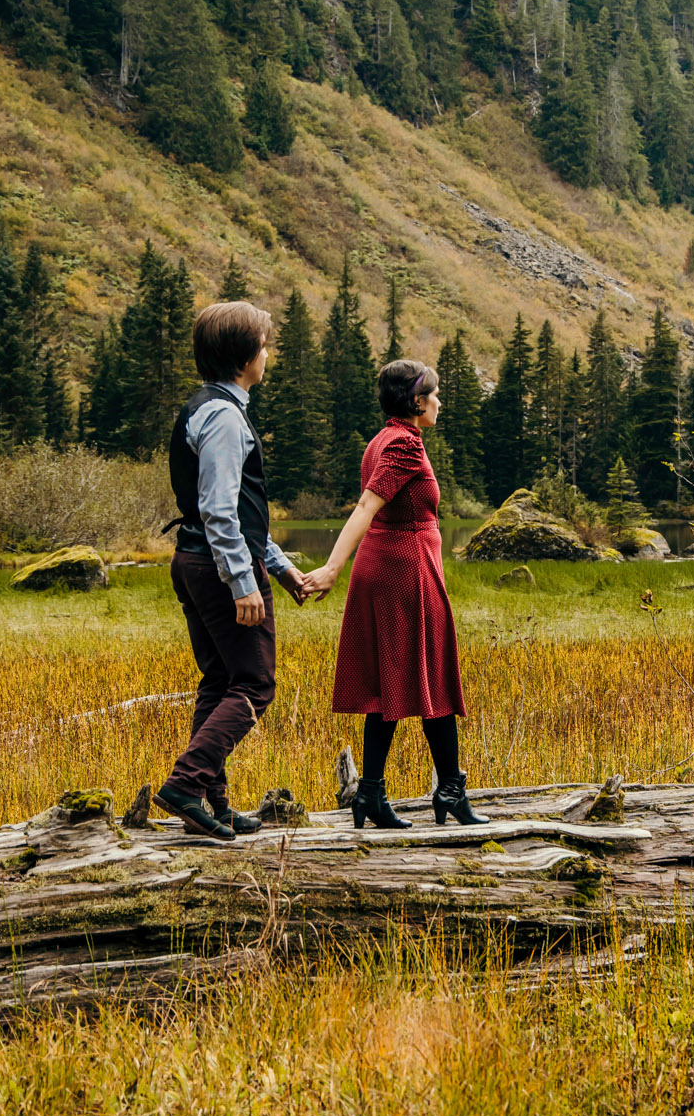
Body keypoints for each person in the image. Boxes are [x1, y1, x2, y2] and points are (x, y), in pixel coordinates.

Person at [300, 359, 486, 829]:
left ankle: (371, 795)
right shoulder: (403, 444)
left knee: (390, 687)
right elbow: (367, 505)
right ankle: (449, 793)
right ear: (417, 401)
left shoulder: (382, 439)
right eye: (435, 395)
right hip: (405, 572)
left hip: (390, 567)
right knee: (433, 680)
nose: (440, 402)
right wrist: (330, 567)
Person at [153, 300, 312, 840]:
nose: (267, 355)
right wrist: (244, 582)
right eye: (264, 346)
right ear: (247, 356)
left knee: (220, 680)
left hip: (197, 560)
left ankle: (212, 804)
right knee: (254, 683)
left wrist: (282, 568)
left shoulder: (208, 407)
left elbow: (239, 510)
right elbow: (220, 509)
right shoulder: (224, 416)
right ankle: (185, 783)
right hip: (219, 567)